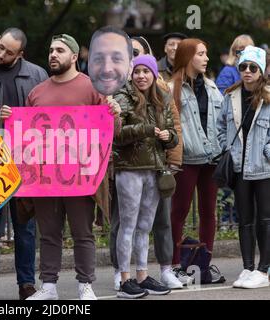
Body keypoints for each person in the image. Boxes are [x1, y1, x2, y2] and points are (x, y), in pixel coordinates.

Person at [22, 34, 120, 300]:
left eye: (60, 50)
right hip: (45, 177)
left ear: (74, 57)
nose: (53, 54)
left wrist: (115, 115)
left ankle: (85, 285)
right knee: (49, 233)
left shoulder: (91, 88)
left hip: (81, 176)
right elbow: (26, 136)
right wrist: (10, 120)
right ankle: (49, 287)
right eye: (51, 50)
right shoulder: (36, 92)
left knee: (82, 233)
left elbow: (111, 131)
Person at [0, 27, 48, 300]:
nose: (1, 54)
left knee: (25, 227)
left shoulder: (37, 74)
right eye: (0, 46)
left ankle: (26, 283)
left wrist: (20, 116)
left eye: (9, 51)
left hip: (24, 160)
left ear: (20, 54)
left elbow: (45, 118)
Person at [114, 55, 177, 299]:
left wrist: (168, 137)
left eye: (146, 71)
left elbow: (172, 132)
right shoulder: (122, 97)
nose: (141, 75)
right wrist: (146, 130)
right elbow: (116, 134)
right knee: (128, 226)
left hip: (154, 168)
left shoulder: (162, 98)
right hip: (130, 169)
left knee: (145, 226)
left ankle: (142, 275)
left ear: (153, 74)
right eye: (137, 71)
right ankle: (125, 279)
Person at [170, 39, 224, 284]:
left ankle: (204, 264)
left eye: (206, 53)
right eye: (201, 54)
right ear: (188, 57)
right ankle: (174, 266)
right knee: (179, 212)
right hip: (187, 159)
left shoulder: (212, 87)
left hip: (212, 158)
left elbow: (222, 122)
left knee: (208, 212)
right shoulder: (172, 88)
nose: (206, 58)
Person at [217, 45, 270, 289]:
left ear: (261, 71)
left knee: (265, 220)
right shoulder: (231, 96)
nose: (247, 71)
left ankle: (263, 269)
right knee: (245, 219)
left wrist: (267, 154)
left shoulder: (269, 97)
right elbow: (220, 128)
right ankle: (247, 267)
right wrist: (225, 149)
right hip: (239, 167)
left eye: (252, 67)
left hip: (264, 168)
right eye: (243, 67)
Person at [88, 26, 132, 96]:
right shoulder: (76, 99)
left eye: (116, 59)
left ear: (130, 66)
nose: (106, 69)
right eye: (98, 59)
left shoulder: (141, 103)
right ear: (89, 64)